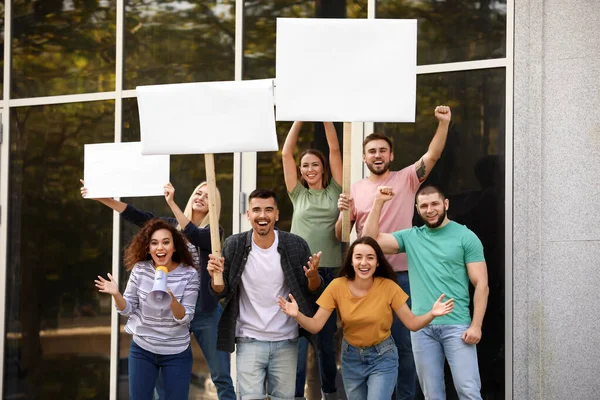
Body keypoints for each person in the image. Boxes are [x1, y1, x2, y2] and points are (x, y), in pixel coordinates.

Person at [335, 105, 452, 399]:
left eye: (383, 150)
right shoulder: (355, 189)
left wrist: (443, 123)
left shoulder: (407, 179)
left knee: (405, 346)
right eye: (372, 151)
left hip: (402, 277)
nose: (377, 155)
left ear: (391, 156)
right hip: (366, 280)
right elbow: (341, 236)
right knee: (370, 344)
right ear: (364, 157)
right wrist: (342, 214)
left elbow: (433, 156)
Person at [80, 180, 235, 400]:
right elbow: (136, 215)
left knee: (220, 374)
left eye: (208, 196)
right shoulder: (170, 227)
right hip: (171, 311)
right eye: (198, 192)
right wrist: (101, 198)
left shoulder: (213, 232)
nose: (201, 197)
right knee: (165, 379)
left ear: (215, 205)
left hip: (204, 311)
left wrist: (172, 203)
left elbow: (193, 234)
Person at [277, 236, 454, 400]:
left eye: (370, 257)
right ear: (351, 261)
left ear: (377, 263)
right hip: (351, 358)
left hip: (383, 357)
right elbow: (316, 326)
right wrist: (297, 315)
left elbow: (412, 324)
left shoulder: (388, 287)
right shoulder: (337, 286)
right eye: (359, 257)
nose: (364, 262)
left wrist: (432, 313)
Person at [363, 184, 489, 399]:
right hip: (421, 328)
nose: (429, 210)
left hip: (456, 325)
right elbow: (369, 241)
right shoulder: (412, 237)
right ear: (417, 209)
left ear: (445, 204)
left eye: (434, 204)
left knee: (468, 391)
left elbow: (482, 285)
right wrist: (378, 203)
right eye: (424, 206)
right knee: (432, 395)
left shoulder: (465, 236)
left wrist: (476, 325)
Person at [207, 188, 323, 400]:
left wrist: (313, 276)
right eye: (257, 210)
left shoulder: (295, 245)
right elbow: (220, 292)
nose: (263, 215)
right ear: (248, 214)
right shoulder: (234, 245)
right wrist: (216, 277)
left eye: (268, 210)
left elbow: (312, 290)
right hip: (249, 338)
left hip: (286, 340)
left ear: (277, 214)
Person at [94, 218, 199, 399]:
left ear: (174, 247)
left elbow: (186, 317)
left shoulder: (189, 274)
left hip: (176, 352)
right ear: (148, 248)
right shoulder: (140, 270)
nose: (160, 248)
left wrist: (171, 298)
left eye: (166, 242)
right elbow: (127, 309)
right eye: (154, 243)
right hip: (143, 349)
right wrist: (116, 294)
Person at [282, 121, 343, 400]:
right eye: (304, 165)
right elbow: (286, 154)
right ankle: (295, 395)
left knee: (326, 344)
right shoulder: (297, 194)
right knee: (296, 341)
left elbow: (333, 147)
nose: (309, 169)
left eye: (314, 164)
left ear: (323, 168)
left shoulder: (335, 191)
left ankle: (329, 393)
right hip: (299, 272)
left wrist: (326, 116)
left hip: (329, 274)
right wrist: (299, 118)